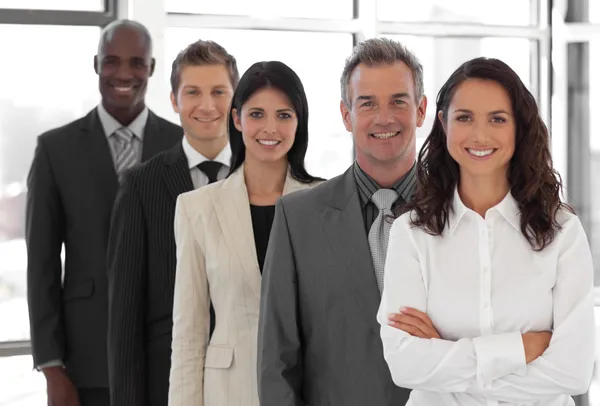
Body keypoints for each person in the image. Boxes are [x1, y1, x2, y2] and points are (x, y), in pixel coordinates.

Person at [379, 57, 595, 405]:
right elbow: (405, 365)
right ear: (443, 124)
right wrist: (519, 348)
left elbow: (573, 370)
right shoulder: (411, 233)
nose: (480, 135)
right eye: (464, 117)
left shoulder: (562, 232)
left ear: (518, 128)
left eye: (497, 119)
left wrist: (447, 359)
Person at [257, 37, 426, 405]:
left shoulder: (463, 210)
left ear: (421, 110)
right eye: (367, 104)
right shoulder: (296, 219)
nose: (384, 117)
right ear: (346, 115)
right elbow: (277, 362)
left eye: (399, 101)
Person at [25, 20, 182, 406]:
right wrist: (51, 368)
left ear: (152, 68)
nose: (124, 73)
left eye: (136, 62)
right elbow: (41, 264)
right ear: (96, 65)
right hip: (88, 362)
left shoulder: (183, 146)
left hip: (171, 357)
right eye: (112, 61)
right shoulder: (55, 150)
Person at [168, 60, 323, 405]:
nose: (270, 128)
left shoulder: (325, 204)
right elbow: (189, 336)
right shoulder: (198, 209)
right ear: (237, 119)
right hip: (228, 392)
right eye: (256, 115)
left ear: (299, 122)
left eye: (284, 115)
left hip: (307, 389)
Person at [106, 40, 239, 406]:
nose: (207, 105)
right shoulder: (140, 185)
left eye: (219, 92)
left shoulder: (265, 180)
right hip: (165, 385)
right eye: (193, 92)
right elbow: (125, 319)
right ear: (174, 100)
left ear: (237, 100)